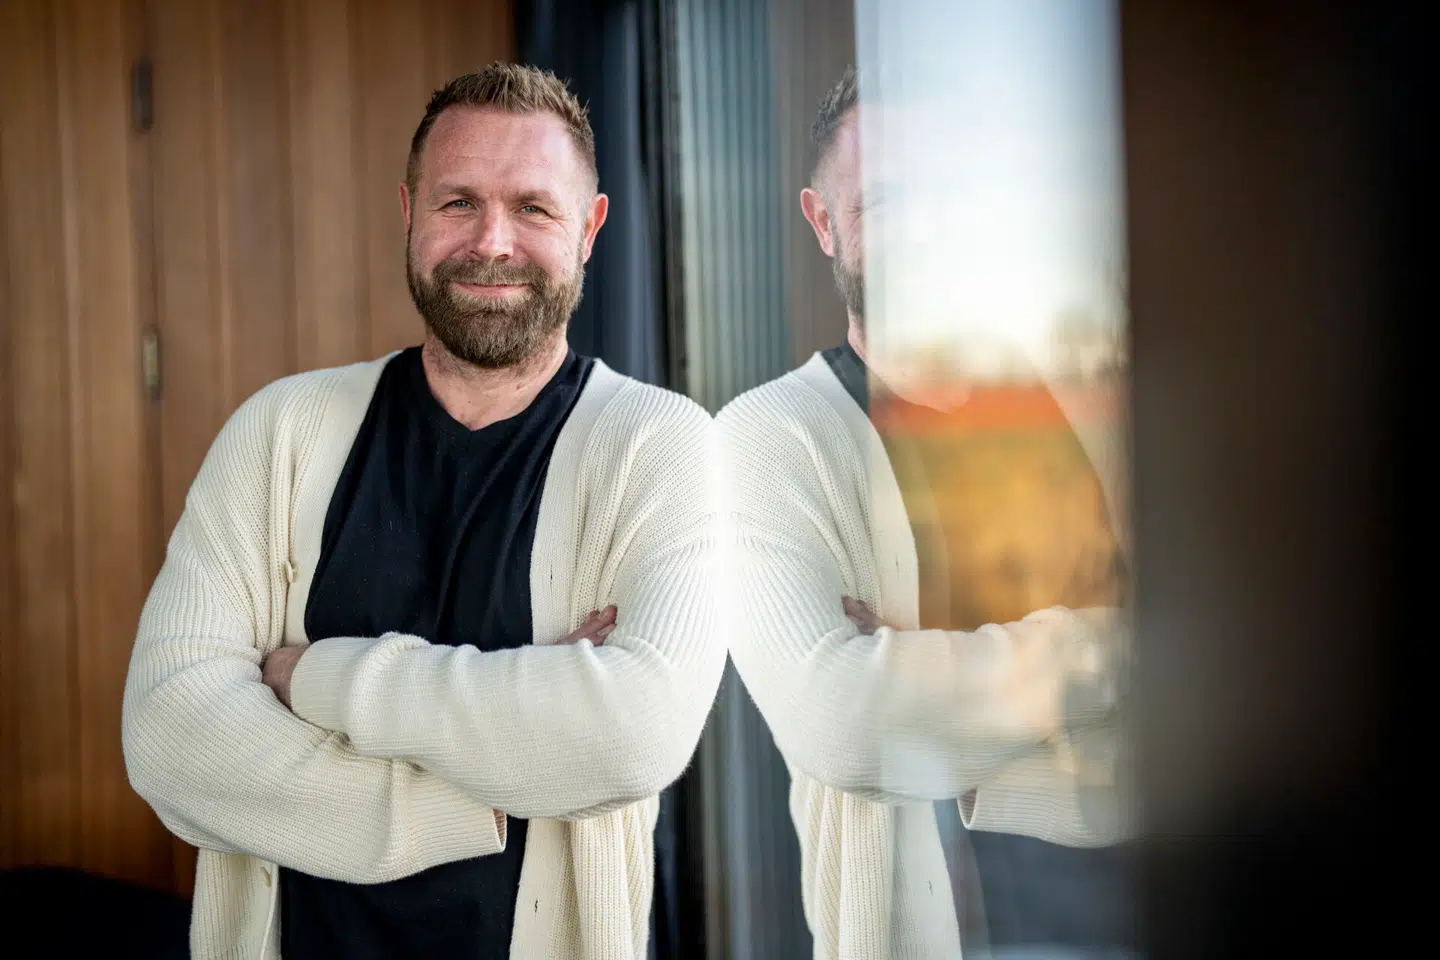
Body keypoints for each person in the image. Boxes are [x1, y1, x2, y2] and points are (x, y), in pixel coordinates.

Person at [122, 62, 726, 960]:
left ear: (590, 228)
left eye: (533, 207)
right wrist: (482, 794)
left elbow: (633, 732)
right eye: (457, 204)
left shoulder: (661, 445)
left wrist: (315, 679)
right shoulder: (280, 432)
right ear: (407, 212)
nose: (492, 241)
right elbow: (172, 734)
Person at [716, 66, 1134, 960]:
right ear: (822, 220)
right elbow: (846, 723)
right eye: (888, 201)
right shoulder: (768, 438)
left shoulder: (1079, 404)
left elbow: (1193, 668)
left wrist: (918, 672)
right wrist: (1100, 650)